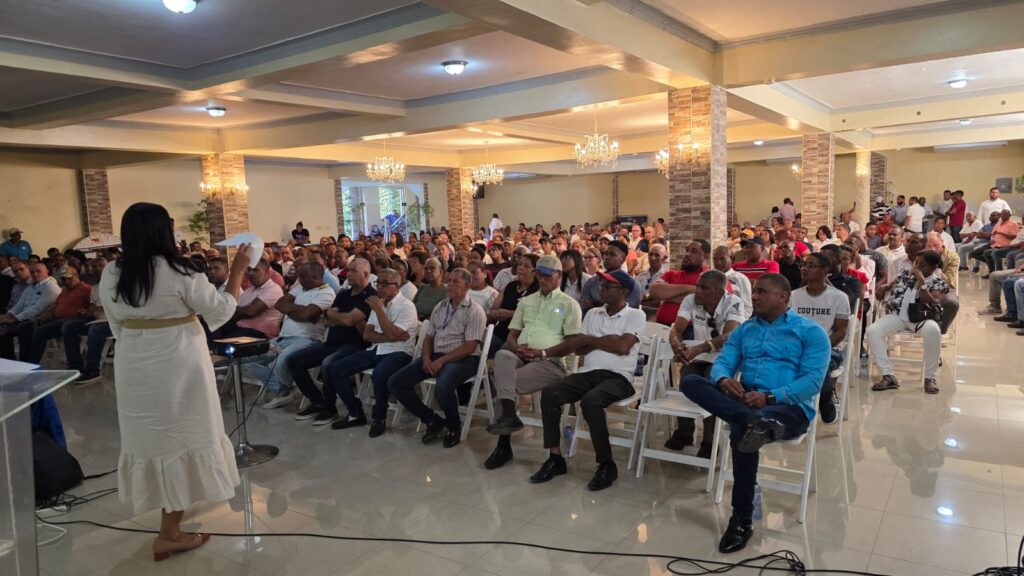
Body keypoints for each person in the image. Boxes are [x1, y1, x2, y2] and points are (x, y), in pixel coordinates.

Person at [98, 202, 249, 561]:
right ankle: (169, 533)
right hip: (179, 363)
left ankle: (170, 525)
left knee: (154, 439)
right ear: (162, 231)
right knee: (183, 435)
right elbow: (220, 310)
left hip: (134, 362)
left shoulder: (112, 272)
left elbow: (115, 323)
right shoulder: (180, 269)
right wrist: (237, 272)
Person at [681, 274, 830, 553]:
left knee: (743, 432)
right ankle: (753, 420)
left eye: (762, 291)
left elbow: (812, 382)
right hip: (747, 400)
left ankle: (741, 519)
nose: (754, 296)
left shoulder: (810, 332)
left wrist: (770, 397)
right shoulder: (745, 330)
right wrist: (723, 379)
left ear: (783, 297)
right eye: (755, 291)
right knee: (691, 381)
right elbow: (723, 363)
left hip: (788, 406)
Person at [529, 270, 645, 491]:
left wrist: (591, 340)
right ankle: (555, 458)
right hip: (588, 373)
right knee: (550, 392)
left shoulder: (635, 315)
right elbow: (579, 349)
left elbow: (623, 347)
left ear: (624, 291)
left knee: (591, 400)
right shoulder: (593, 313)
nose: (601, 288)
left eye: (608, 286)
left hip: (619, 377)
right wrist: (606, 340)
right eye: (601, 284)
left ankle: (606, 464)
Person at [483, 255, 582, 469]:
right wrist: (516, 347)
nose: (542, 279)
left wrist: (543, 353)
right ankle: (509, 417)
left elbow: (572, 344)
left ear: (559, 275)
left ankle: (503, 444)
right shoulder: (527, 301)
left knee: (504, 382)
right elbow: (512, 335)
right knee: (502, 355)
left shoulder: (569, 304)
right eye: (540, 275)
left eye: (547, 275)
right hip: (521, 355)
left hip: (551, 362)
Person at [294, 268, 416, 436]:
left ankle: (379, 418)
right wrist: (391, 336)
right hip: (376, 349)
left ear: (397, 286)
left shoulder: (406, 306)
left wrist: (380, 313)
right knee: (335, 369)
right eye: (378, 283)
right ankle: (355, 412)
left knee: (379, 374)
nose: (379, 287)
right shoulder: (378, 303)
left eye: (384, 283)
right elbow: (367, 335)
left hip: (399, 352)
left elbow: (392, 334)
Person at [388, 267, 486, 448]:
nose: (450, 284)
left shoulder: (474, 310)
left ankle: (453, 427)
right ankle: (432, 420)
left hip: (464, 358)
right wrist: (426, 358)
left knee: (443, 385)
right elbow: (429, 337)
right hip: (436, 355)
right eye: (449, 280)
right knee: (396, 382)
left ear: (467, 285)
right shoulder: (440, 307)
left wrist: (441, 361)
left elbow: (470, 346)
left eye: (455, 281)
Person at [665, 270, 747, 456]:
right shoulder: (690, 300)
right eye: (697, 286)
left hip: (724, 359)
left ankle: (710, 440)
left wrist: (699, 348)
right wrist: (677, 346)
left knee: (712, 381)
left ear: (719, 293)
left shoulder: (734, 302)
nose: (698, 291)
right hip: (699, 357)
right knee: (686, 377)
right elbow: (676, 329)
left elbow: (728, 335)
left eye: (704, 288)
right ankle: (685, 432)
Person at [247, 262, 336, 409]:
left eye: (302, 276)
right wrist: (301, 310)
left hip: (306, 339)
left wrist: (293, 310)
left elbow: (305, 315)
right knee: (249, 358)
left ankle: (284, 391)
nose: (298, 279)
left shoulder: (327, 293)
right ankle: (284, 391)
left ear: (315, 277)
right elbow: (279, 304)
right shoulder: (300, 288)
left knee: (280, 361)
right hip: (282, 338)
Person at [868, 250, 949, 394]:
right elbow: (893, 283)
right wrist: (886, 286)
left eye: (922, 265)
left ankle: (930, 378)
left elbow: (931, 302)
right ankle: (888, 375)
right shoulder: (905, 274)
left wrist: (922, 282)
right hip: (898, 315)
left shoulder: (939, 283)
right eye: (916, 263)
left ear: (933, 267)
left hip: (922, 318)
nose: (916, 267)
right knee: (872, 331)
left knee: (933, 331)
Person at [789, 253, 850, 423]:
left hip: (830, 348)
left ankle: (825, 397)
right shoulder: (794, 296)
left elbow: (840, 332)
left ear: (825, 270)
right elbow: (788, 327)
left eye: (811, 266)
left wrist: (817, 347)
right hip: (798, 347)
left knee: (818, 363)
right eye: (803, 265)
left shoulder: (839, 297)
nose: (804, 269)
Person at [21, 267, 93, 364]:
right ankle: (23, 362)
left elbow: (93, 306)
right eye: (63, 279)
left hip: (74, 322)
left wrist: (87, 312)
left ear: (77, 276)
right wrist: (40, 319)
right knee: (26, 327)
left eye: (69, 278)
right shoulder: (64, 291)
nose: (66, 281)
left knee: (40, 332)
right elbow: (54, 308)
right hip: (58, 320)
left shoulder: (87, 289)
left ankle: (32, 364)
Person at [208, 259, 284, 341]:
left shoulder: (273, 289)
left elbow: (250, 312)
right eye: (249, 269)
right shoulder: (249, 290)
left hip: (260, 334)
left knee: (220, 341)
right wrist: (236, 310)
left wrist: (232, 308)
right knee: (210, 326)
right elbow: (235, 313)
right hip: (240, 327)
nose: (250, 273)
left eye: (255, 270)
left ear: (267, 272)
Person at [0, 262, 61, 360]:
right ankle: (9, 360)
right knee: (3, 328)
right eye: (32, 272)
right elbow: (19, 305)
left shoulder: (51, 288)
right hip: (25, 318)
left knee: (22, 327)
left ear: (47, 271)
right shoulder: (31, 287)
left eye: (38, 271)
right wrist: (8, 315)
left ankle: (26, 361)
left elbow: (37, 309)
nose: (35, 274)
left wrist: (14, 318)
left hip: (41, 320)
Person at [487, 253, 540, 356]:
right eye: (520, 264)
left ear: (535, 272)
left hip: (520, 335)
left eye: (526, 266)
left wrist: (509, 314)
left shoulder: (538, 291)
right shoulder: (510, 286)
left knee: (502, 353)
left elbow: (534, 315)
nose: (521, 268)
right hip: (501, 331)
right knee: (482, 349)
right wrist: (497, 314)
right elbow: (493, 310)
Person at [649, 240, 710, 325]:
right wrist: (690, 289)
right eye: (687, 250)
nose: (687, 254)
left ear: (706, 256)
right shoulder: (671, 274)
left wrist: (667, 296)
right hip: (660, 326)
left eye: (693, 251)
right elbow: (654, 291)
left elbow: (700, 299)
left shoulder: (709, 277)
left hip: (689, 328)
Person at [580, 240, 641, 315]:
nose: (607, 257)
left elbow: (628, 312)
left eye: (612, 254)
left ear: (623, 258)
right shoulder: (591, 282)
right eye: (606, 254)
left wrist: (594, 306)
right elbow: (584, 308)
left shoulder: (631, 284)